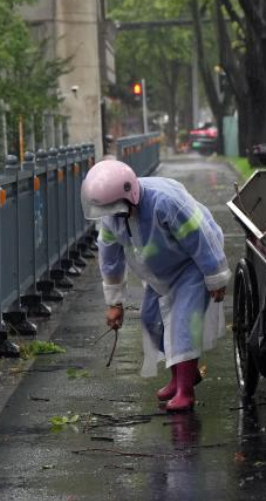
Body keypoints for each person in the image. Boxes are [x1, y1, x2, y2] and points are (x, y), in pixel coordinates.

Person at [81, 160, 230, 412]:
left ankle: (186, 390)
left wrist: (214, 275)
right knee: (152, 320)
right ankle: (181, 375)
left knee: (183, 323)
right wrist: (114, 302)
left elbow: (200, 238)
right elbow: (110, 258)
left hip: (191, 265)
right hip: (159, 272)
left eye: (117, 208)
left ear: (131, 195)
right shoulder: (111, 218)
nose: (114, 215)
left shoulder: (164, 202)